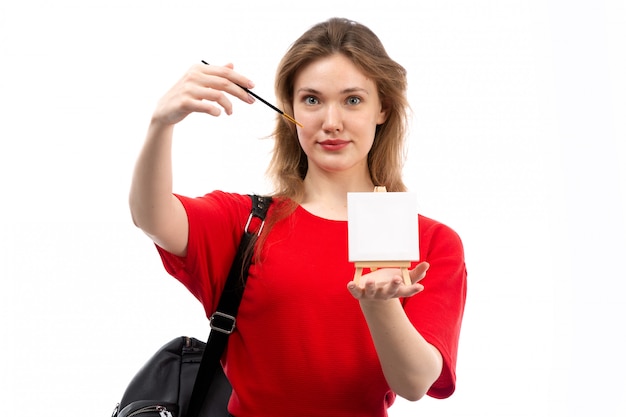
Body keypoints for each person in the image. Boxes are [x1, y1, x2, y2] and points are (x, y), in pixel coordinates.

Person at [129, 17, 467, 417]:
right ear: (289, 108)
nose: (331, 122)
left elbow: (414, 384)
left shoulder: (430, 241)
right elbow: (152, 217)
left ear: (383, 108)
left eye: (353, 100)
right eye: (312, 100)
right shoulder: (248, 222)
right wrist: (160, 124)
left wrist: (380, 305)